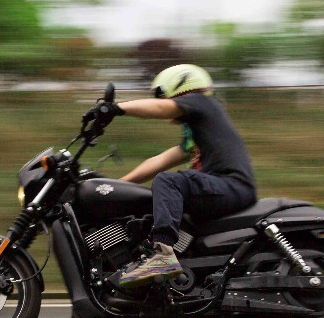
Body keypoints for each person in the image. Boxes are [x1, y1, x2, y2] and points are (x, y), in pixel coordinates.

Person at [82, 64, 257, 287]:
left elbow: (161, 108)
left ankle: (163, 256)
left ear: (180, 89)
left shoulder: (202, 101)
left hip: (232, 185)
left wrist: (116, 108)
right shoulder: (196, 133)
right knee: (152, 204)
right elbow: (158, 161)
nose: (164, 101)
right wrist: (114, 185)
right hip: (225, 188)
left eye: (164, 95)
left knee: (168, 181)